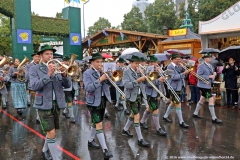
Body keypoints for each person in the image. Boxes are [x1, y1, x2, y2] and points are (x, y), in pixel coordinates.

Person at [29, 44, 71, 160]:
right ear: (41, 56)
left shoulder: (58, 67)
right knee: (51, 132)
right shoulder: (34, 68)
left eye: (51, 54)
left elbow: (67, 86)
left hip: (56, 104)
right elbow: (34, 86)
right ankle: (56, 158)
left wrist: (64, 75)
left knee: (52, 132)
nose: (50, 56)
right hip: (43, 104)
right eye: (47, 54)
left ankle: (44, 150)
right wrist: (48, 74)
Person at [83, 52, 113, 159]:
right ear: (92, 62)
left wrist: (109, 78)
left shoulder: (102, 72)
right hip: (93, 102)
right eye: (97, 62)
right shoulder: (87, 73)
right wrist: (100, 79)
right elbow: (89, 88)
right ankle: (105, 150)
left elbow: (110, 85)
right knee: (99, 124)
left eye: (101, 62)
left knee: (97, 122)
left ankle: (91, 140)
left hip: (102, 100)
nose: (100, 64)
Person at [122, 55, 150, 147]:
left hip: (138, 96)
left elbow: (144, 83)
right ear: (131, 63)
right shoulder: (126, 72)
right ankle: (140, 139)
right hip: (130, 97)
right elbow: (127, 85)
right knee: (137, 116)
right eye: (135, 63)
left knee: (133, 114)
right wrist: (138, 80)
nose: (137, 65)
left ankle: (125, 129)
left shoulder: (139, 71)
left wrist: (145, 77)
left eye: (138, 63)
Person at [139, 55, 167, 136]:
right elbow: (148, 84)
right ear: (149, 63)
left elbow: (163, 79)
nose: (154, 64)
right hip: (150, 93)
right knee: (155, 109)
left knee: (149, 108)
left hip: (157, 92)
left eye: (155, 62)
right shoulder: (147, 70)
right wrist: (158, 80)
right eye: (151, 62)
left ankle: (142, 121)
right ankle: (158, 129)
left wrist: (161, 73)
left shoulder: (158, 69)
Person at [192, 53, 222, 124]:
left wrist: (214, 74)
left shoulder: (210, 66)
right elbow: (198, 76)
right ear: (204, 58)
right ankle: (214, 118)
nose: (210, 58)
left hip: (208, 85)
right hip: (203, 86)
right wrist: (209, 76)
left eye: (210, 57)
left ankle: (195, 113)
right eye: (208, 57)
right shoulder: (201, 66)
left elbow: (212, 75)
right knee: (211, 100)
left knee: (202, 99)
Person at [162, 53, 190, 128]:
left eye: (179, 59)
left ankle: (165, 116)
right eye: (177, 59)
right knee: (178, 103)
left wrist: (184, 69)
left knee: (173, 103)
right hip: (172, 88)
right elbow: (173, 77)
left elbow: (184, 76)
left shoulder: (178, 66)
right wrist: (184, 73)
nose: (179, 60)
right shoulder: (169, 67)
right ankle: (181, 122)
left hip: (179, 87)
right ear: (173, 59)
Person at [25, 53, 41, 123]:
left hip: (42, 85)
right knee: (36, 101)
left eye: (38, 56)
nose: (37, 58)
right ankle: (38, 116)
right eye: (36, 56)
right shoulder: (29, 66)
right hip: (33, 86)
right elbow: (27, 77)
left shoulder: (43, 64)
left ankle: (40, 115)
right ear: (33, 57)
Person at [62, 55, 76, 123]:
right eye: (66, 61)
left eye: (68, 61)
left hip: (72, 86)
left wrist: (76, 70)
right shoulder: (61, 67)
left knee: (70, 101)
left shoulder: (71, 66)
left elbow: (74, 75)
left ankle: (65, 111)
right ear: (63, 61)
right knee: (69, 101)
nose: (67, 62)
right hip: (65, 88)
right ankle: (72, 116)